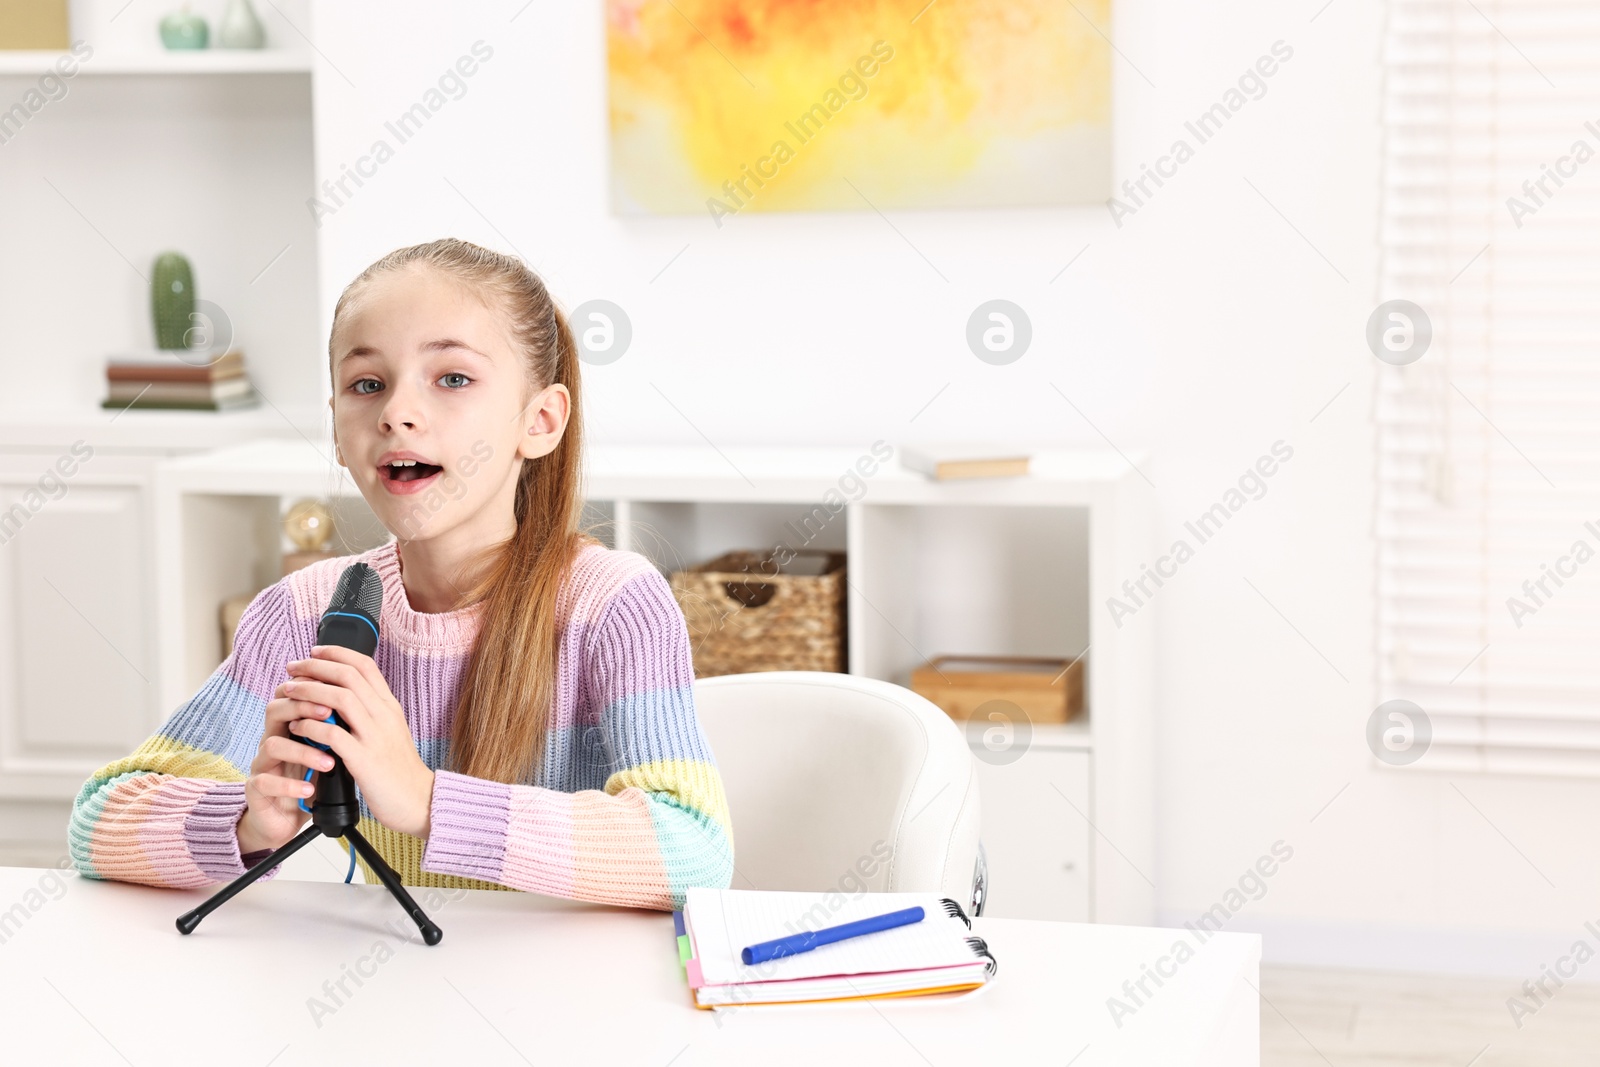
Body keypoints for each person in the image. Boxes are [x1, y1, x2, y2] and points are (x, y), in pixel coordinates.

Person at [67, 238, 734, 910]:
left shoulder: (614, 605)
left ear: (540, 420)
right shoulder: (303, 614)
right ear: (336, 429)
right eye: (367, 384)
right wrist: (246, 821)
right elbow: (95, 823)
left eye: (451, 378)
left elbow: (695, 853)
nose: (395, 413)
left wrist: (427, 801)